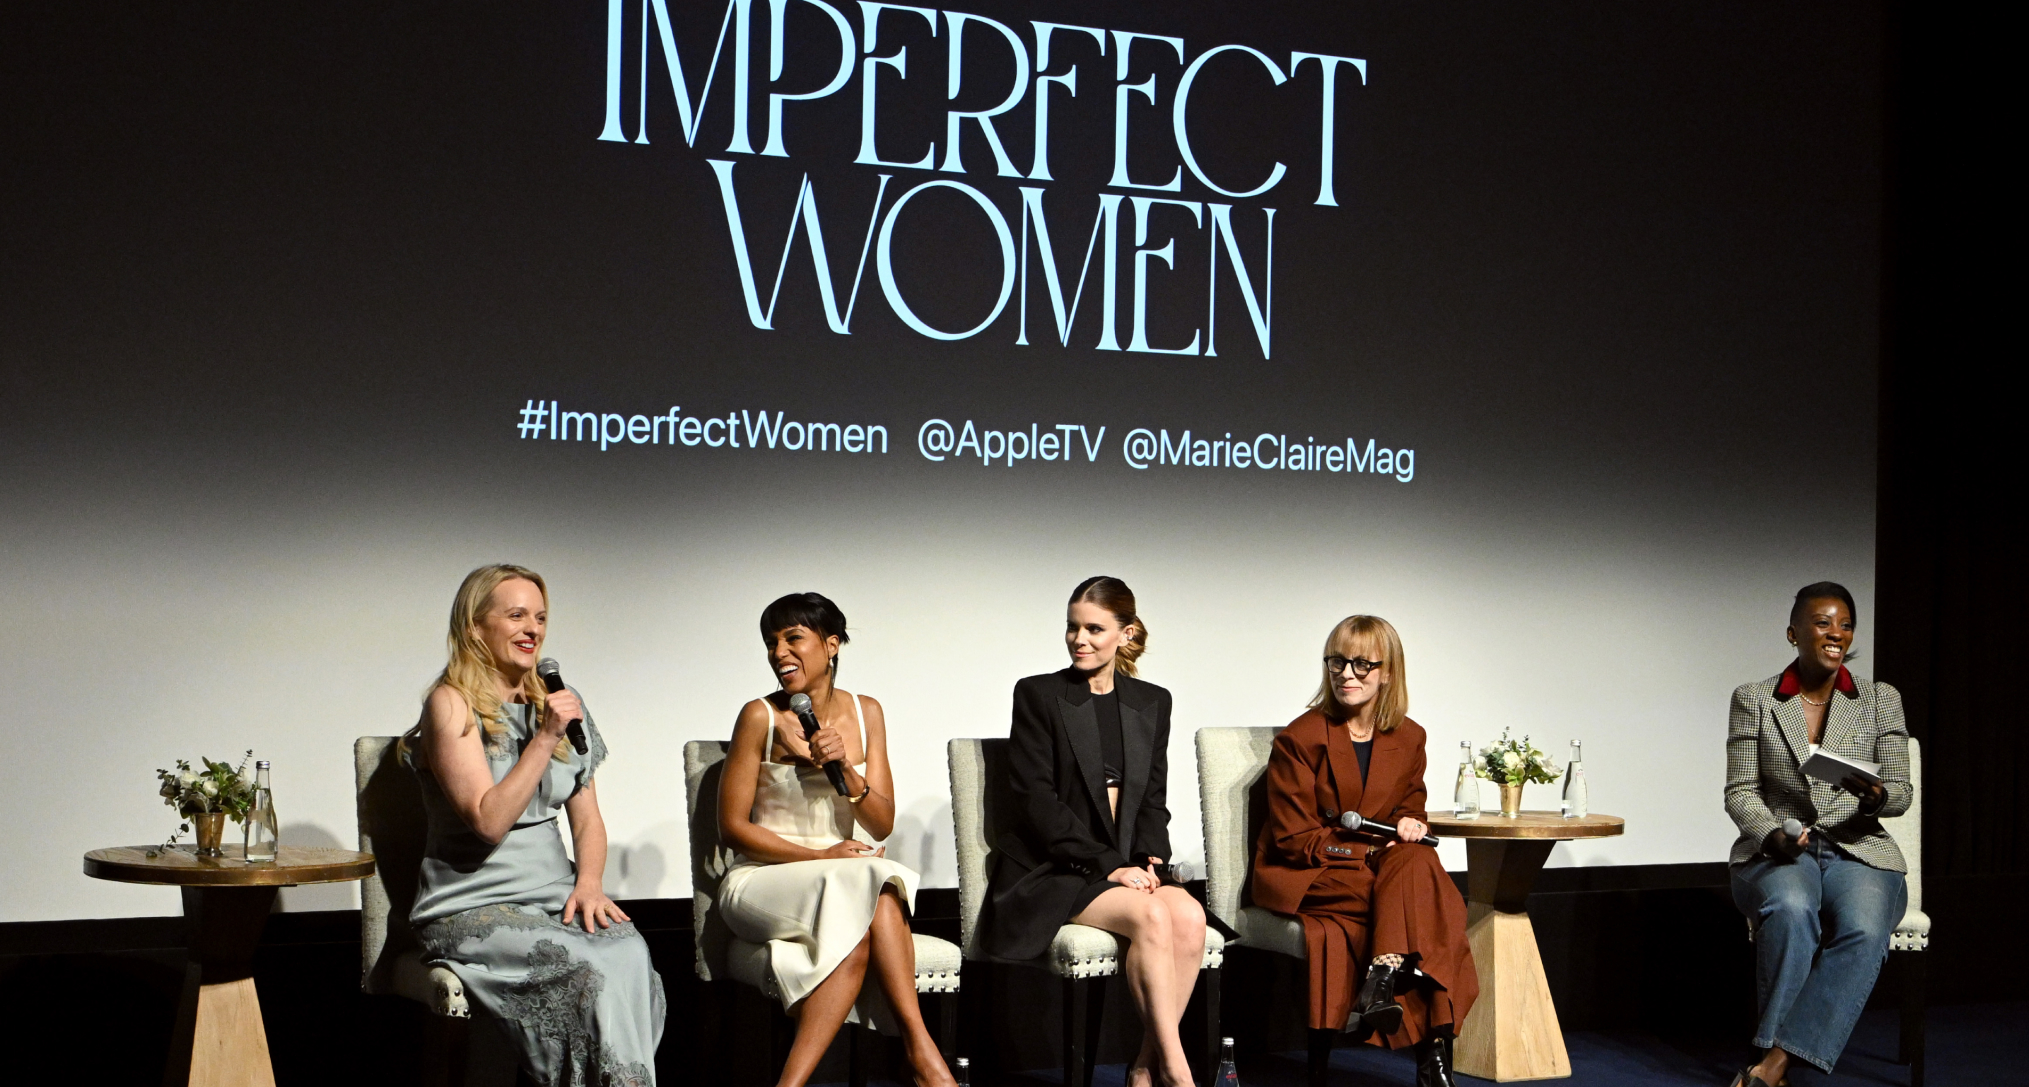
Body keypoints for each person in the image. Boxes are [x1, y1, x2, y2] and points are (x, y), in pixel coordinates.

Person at [404, 564, 664, 1087]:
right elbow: (488, 820)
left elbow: (588, 821)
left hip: (553, 893)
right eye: (516, 615)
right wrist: (544, 737)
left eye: (540, 617)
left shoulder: (561, 701)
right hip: (474, 904)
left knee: (630, 955)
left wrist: (588, 884)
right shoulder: (450, 703)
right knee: (588, 970)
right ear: (475, 627)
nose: (533, 629)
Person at [714, 593, 956, 1087]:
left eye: (792, 638)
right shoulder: (759, 716)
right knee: (871, 884)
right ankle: (922, 1053)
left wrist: (844, 767)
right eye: (771, 642)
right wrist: (820, 855)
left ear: (832, 645)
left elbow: (882, 821)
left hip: (841, 875)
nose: (779, 652)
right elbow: (733, 829)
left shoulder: (868, 712)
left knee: (863, 906)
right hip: (764, 878)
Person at [984, 576, 1208, 1087]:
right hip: (1054, 869)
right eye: (1072, 627)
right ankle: (1178, 1072)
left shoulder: (1152, 700)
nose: (1078, 639)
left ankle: (1146, 1066)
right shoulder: (1039, 693)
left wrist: (1150, 858)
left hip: (1126, 862)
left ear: (1126, 634)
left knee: (1190, 917)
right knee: (1153, 915)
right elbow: (1035, 803)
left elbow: (1152, 797)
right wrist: (1110, 865)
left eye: (1093, 628)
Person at [1250, 614, 1476, 1087]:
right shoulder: (1301, 737)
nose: (1346, 674)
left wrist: (1413, 823)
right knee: (1435, 904)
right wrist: (1366, 854)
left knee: (1418, 859)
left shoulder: (1411, 737)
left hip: (1381, 870)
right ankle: (1432, 1052)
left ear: (1388, 672)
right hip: (1310, 869)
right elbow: (1292, 839)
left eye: (1362, 664)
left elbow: (1411, 803)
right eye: (1337, 661)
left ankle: (1382, 981)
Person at [1724, 582, 1911, 1087]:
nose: (1836, 633)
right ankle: (1772, 1062)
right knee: (1789, 908)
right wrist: (1772, 836)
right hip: (1782, 850)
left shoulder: (1879, 699)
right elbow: (1740, 792)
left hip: (1860, 849)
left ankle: (1773, 1064)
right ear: (1793, 633)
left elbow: (1901, 790)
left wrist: (1878, 798)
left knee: (1867, 929)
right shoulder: (1755, 699)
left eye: (1845, 624)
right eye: (1823, 622)